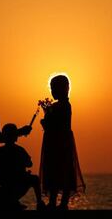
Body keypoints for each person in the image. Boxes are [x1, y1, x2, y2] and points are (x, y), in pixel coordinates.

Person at [39, 75, 86, 210]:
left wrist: (45, 120)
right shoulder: (58, 106)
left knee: (63, 170)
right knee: (53, 170)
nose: (53, 92)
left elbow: (54, 124)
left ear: (64, 89)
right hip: (54, 141)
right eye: (51, 88)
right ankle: (53, 202)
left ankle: (62, 203)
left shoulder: (64, 105)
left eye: (55, 88)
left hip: (60, 141)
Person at [0, 123, 46, 210]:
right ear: (15, 136)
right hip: (17, 185)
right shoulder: (20, 150)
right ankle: (39, 203)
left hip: (4, 185)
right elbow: (29, 164)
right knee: (35, 179)